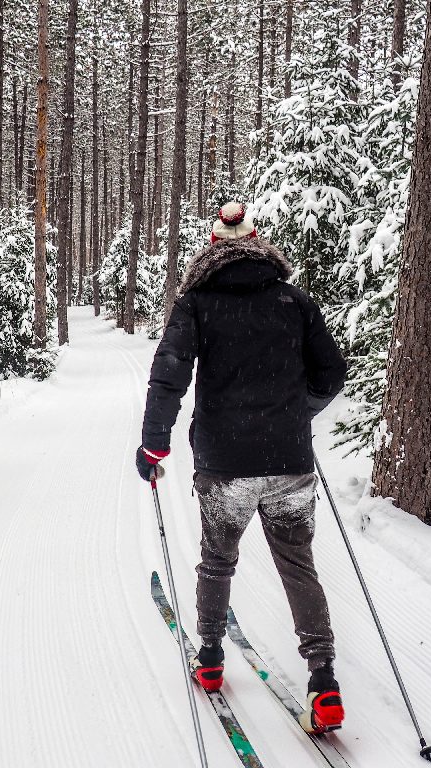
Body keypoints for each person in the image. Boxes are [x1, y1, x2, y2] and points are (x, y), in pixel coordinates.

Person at [135, 201, 348, 733]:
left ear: (212, 247)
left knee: (217, 560)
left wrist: (153, 444)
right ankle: (323, 681)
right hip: (289, 460)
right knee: (298, 565)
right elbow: (331, 373)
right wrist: (299, 414)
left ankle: (209, 658)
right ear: (257, 241)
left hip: (224, 463)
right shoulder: (294, 300)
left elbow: (169, 376)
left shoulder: (196, 303)